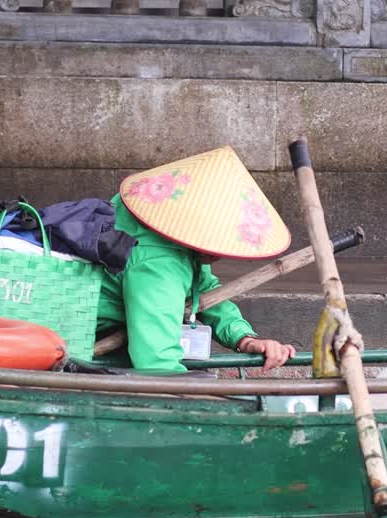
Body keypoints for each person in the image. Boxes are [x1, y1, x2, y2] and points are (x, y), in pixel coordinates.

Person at [95, 147, 298, 373]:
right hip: (73, 339)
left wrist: (244, 338)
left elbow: (205, 290)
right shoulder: (159, 263)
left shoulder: (170, 236)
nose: (220, 253)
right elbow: (158, 365)